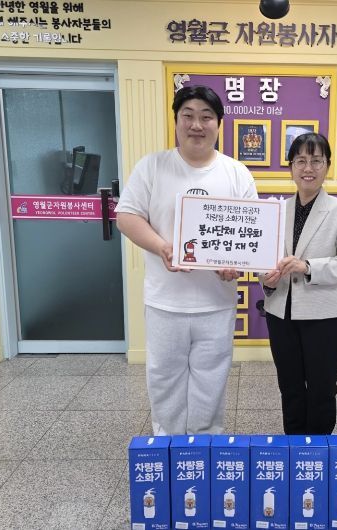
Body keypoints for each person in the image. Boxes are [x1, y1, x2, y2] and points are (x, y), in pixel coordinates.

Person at [115, 85, 257, 435]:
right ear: (176, 120)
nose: (197, 125)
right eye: (188, 116)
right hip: (165, 301)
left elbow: (251, 233)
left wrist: (235, 262)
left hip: (216, 301)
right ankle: (169, 444)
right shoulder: (152, 166)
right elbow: (127, 216)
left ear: (218, 123)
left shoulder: (236, 172)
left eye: (206, 117)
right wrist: (162, 247)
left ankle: (206, 445)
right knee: (164, 378)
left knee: (212, 380)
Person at [261, 132, 337, 434]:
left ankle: (317, 450)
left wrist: (307, 267)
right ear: (291, 166)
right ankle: (293, 445)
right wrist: (266, 280)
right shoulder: (276, 210)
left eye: (316, 161)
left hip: (324, 316)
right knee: (289, 386)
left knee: (322, 388)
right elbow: (264, 259)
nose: (308, 168)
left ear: (327, 165)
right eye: (300, 160)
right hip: (281, 313)